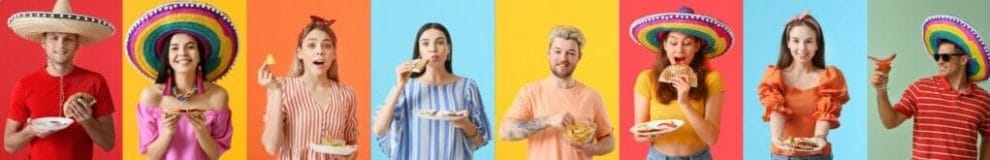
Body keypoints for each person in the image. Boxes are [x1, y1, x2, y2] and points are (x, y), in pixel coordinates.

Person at [3, 0, 117, 159]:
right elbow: (9, 145)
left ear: (77, 44)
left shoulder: (95, 81)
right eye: (54, 38)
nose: (61, 45)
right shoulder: (24, 85)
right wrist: (31, 131)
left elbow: (108, 143)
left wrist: (87, 120)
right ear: (43, 42)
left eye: (68, 39)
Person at [126, 2, 238, 159]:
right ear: (167, 56)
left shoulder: (217, 95)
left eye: (190, 47)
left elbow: (215, 155)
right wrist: (168, 131)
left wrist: (201, 130)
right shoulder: (151, 96)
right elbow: (151, 156)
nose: (182, 53)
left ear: (200, 55)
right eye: (174, 48)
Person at [872, 15, 990, 160]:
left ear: (963, 59)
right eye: (937, 57)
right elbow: (890, 122)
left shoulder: (984, 100)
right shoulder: (920, 89)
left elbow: (988, 138)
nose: (939, 62)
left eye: (945, 57)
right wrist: (881, 90)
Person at [627, 6, 734, 160]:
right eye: (673, 42)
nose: (680, 50)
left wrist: (684, 102)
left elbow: (712, 138)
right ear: (664, 44)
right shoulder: (646, 78)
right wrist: (647, 133)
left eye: (687, 43)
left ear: (697, 46)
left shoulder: (712, 79)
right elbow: (639, 134)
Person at [372, 22, 491, 160]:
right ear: (419, 51)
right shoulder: (405, 87)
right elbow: (379, 130)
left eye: (440, 43)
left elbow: (480, 140)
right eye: (425, 43)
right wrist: (400, 85)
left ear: (448, 49)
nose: (433, 49)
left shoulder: (467, 87)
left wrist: (465, 123)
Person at [499, 25, 615, 160]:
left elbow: (609, 140)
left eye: (571, 53)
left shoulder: (592, 96)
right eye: (558, 51)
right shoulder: (530, 92)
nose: (563, 58)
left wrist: (592, 148)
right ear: (548, 53)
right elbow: (505, 132)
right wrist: (548, 120)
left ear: (579, 57)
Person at [259, 15, 359, 160]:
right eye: (312, 45)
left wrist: (351, 155)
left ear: (333, 54)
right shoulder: (282, 87)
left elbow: (350, 145)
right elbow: (272, 147)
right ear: (300, 53)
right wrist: (276, 92)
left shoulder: (346, 94)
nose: (320, 51)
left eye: (327, 45)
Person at [757, 11, 848, 160]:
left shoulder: (830, 78)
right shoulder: (775, 76)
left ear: (817, 44)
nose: (802, 48)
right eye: (796, 40)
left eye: (809, 41)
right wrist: (777, 137)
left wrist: (819, 137)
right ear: (787, 43)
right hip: (783, 155)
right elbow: (776, 109)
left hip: (818, 156)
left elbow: (825, 113)